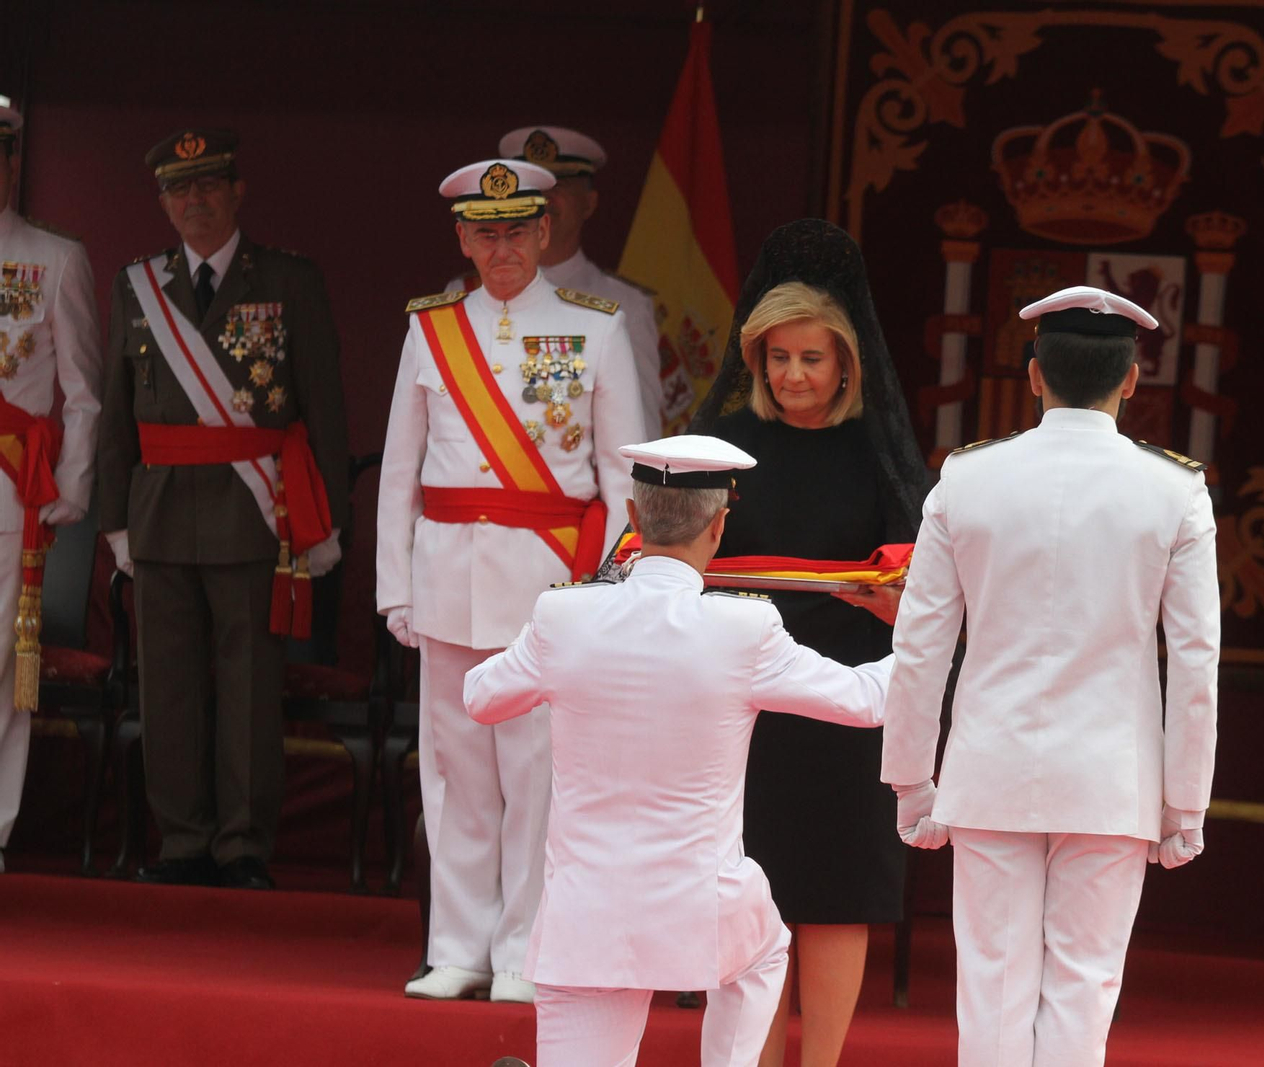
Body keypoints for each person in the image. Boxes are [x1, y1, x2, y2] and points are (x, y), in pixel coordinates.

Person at [463, 434, 895, 1067]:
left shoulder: (563, 616)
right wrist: (915, 630)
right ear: (720, 526)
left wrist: (572, 623)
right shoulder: (743, 627)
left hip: (587, 910)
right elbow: (866, 700)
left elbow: (480, 697)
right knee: (762, 945)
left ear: (633, 519)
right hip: (702, 905)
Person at [881, 286, 1220, 1067]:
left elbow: (922, 641)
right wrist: (1186, 800)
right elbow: (1195, 658)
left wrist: (910, 777)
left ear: (1032, 374)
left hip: (992, 764)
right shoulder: (1175, 488)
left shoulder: (966, 477)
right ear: (1132, 380)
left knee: (993, 987)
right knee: (1084, 986)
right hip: (1110, 773)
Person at [377, 157, 646, 1003]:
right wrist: (396, 587)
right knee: (455, 774)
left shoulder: (595, 327)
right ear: (463, 237)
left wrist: (607, 589)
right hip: (448, 577)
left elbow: (622, 476)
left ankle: (526, 951)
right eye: (484, 234)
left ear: (544, 231)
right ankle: (456, 947)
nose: (502, 248)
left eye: (516, 232)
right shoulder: (431, 330)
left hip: (549, 583)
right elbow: (398, 472)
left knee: (538, 778)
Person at [690, 218, 928, 1067]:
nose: (794, 375)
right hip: (743, 705)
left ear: (846, 363)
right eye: (778, 358)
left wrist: (893, 599)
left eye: (812, 359)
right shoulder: (724, 449)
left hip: (844, 701)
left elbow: (924, 591)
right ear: (756, 359)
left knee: (836, 895)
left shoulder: (878, 453)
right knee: (751, 895)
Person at [97, 128, 348, 891]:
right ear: (163, 201)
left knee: (246, 691)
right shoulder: (136, 284)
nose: (195, 200)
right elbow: (115, 412)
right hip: (162, 511)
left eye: (208, 184)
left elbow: (325, 408)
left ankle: (242, 847)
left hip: (255, 513)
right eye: (179, 188)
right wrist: (114, 520)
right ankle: (181, 841)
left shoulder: (288, 280)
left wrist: (323, 520)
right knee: (166, 686)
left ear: (237, 191)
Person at [0, 96, 102, 871]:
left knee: (4, 661)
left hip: (9, 487)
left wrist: (68, 486)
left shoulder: (54, 258)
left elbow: (84, 390)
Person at [451, 127, 660, 434]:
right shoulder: (463, 294)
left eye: (558, 185)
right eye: (530, 187)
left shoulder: (627, 305)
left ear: (589, 203)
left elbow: (640, 433)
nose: (544, 197)